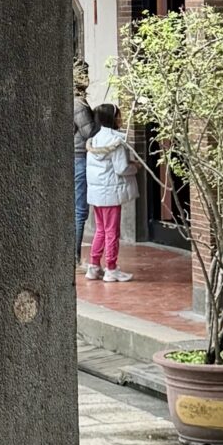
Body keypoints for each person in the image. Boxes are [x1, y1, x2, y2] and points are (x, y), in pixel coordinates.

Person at [84, 102, 135, 282]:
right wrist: (135, 168)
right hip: (111, 193)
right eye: (119, 115)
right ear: (112, 118)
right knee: (112, 232)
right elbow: (122, 168)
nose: (121, 118)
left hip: (97, 194)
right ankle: (111, 269)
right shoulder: (116, 141)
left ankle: (93, 266)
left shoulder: (93, 140)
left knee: (101, 230)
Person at [73, 61, 94, 263]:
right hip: (79, 157)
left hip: (73, 157)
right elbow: (89, 132)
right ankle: (75, 256)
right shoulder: (79, 104)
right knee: (80, 210)